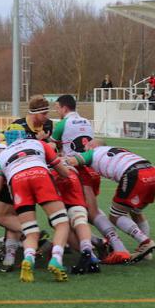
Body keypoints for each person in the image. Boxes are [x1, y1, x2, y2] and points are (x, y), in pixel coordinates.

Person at [50, 94, 129, 264]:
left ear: (64, 108)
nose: (57, 111)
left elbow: (53, 147)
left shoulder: (62, 124)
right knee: (86, 211)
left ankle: (114, 246)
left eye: (57, 108)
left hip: (76, 171)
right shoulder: (86, 121)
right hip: (91, 167)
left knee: (76, 213)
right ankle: (98, 243)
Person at [0, 124, 72, 283]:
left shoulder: (2, 154)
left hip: (17, 181)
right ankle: (56, 259)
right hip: (39, 174)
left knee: (30, 231)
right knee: (61, 223)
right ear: (24, 135)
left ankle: (28, 259)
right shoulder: (38, 143)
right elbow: (64, 172)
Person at [65, 139, 155, 263]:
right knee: (136, 212)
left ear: (92, 146)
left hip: (134, 174)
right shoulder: (121, 150)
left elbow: (72, 161)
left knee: (116, 215)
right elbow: (146, 163)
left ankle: (145, 241)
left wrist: (60, 160)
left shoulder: (92, 152)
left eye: (86, 147)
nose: (84, 149)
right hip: (152, 174)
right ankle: (147, 251)